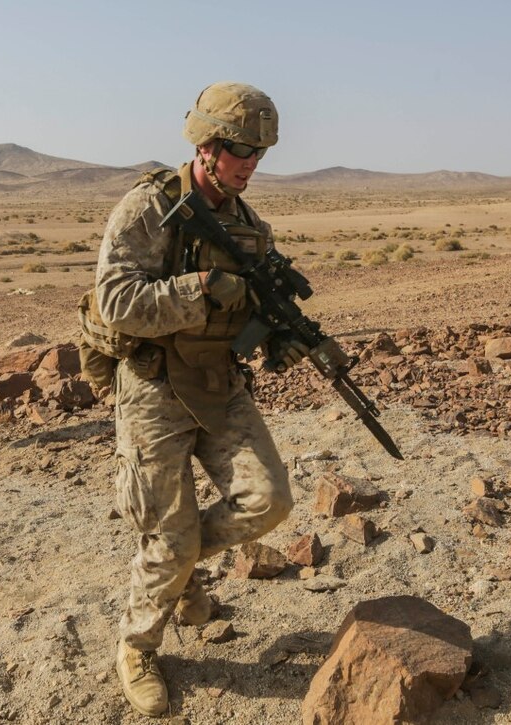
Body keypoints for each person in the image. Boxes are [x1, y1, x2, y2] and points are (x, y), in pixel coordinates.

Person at [95, 82, 306, 717]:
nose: (250, 163)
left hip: (217, 384)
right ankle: (137, 645)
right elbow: (116, 303)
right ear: (207, 144)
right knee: (168, 534)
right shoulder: (149, 208)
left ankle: (179, 567)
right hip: (154, 385)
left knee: (268, 501)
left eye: (259, 153)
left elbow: (257, 311)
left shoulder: (248, 227)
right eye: (241, 149)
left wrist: (280, 343)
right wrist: (202, 289)